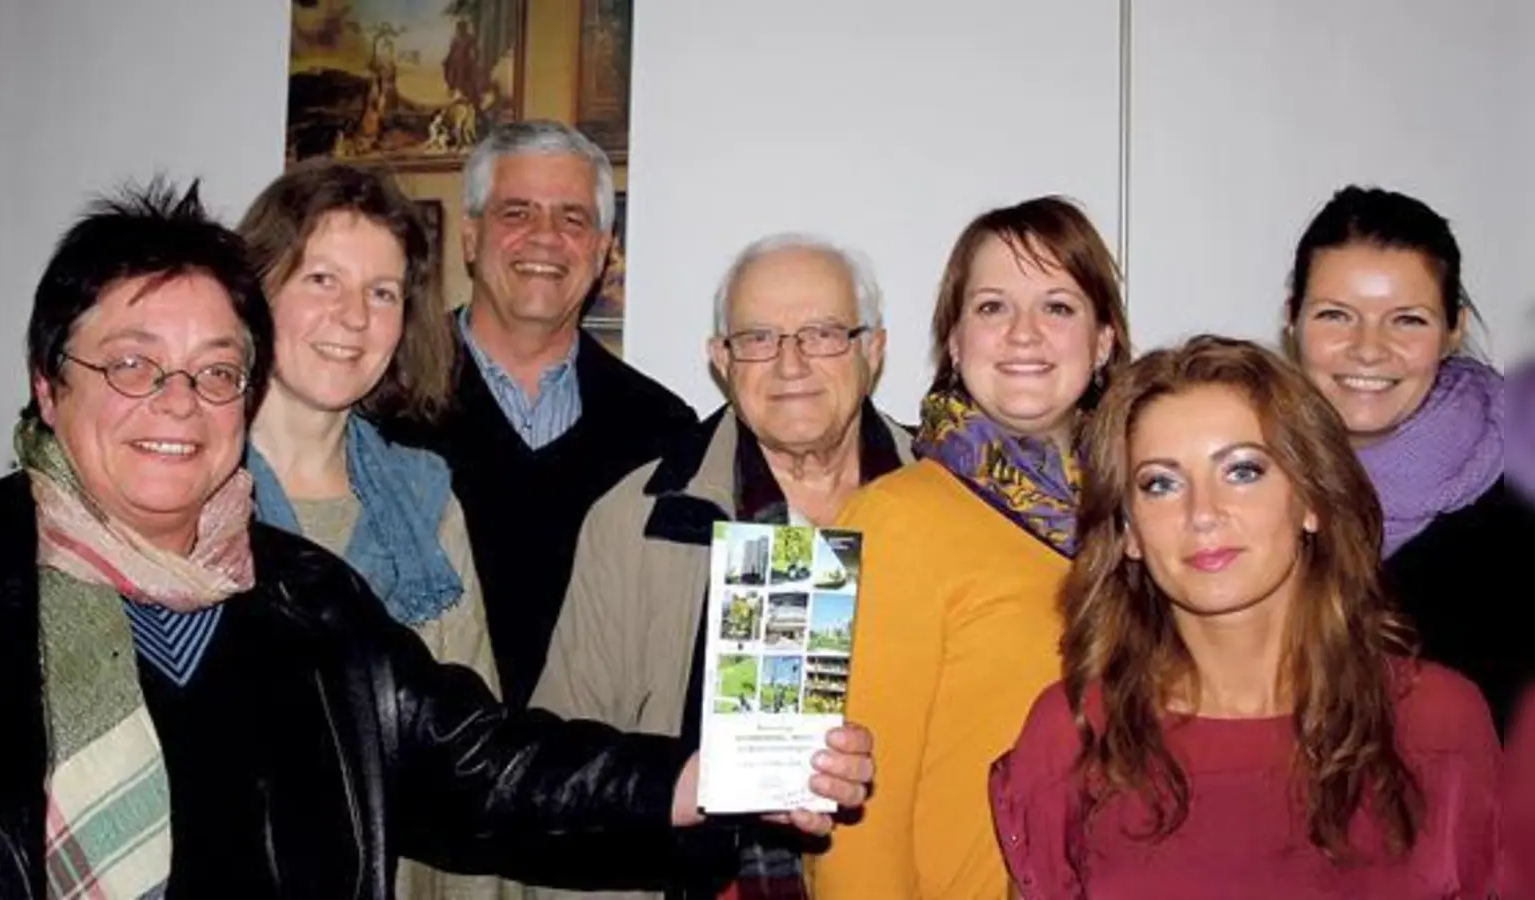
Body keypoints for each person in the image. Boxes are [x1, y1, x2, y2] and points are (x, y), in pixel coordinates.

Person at [0, 179, 874, 899]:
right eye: (132, 363)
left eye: (214, 371)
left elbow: (483, 762)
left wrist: (697, 778)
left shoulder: (309, 596)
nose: (178, 403)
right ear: (48, 381)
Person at [991, 335, 1498, 898]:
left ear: (1311, 499)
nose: (1201, 513)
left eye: (1242, 471)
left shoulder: (1439, 723)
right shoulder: (1075, 733)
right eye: (1161, 484)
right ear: (1129, 531)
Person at [530, 234, 916, 900]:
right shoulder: (636, 520)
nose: (790, 364)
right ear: (721, 360)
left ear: (872, 350)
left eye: (822, 333)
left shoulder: (948, 504)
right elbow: (565, 766)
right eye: (759, 338)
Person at [808, 197, 1132, 900]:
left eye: (1057, 306)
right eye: (991, 307)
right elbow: (850, 815)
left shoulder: (1144, 525)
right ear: (954, 341)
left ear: (1103, 339)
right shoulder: (887, 518)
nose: (1023, 334)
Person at [237, 161, 512, 898]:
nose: (355, 317)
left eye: (382, 292)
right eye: (322, 279)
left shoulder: (428, 502)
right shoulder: (181, 490)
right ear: (256, 292)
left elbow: (476, 753)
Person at [381, 120, 698, 710]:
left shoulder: (663, 432)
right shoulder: (382, 406)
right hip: (419, 784)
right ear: (471, 238)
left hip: (594, 784)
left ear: (603, 251)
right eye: (517, 213)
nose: (545, 238)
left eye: (572, 219)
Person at [1282, 184, 1524, 733]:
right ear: (1292, 319)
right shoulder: (1241, 486)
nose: (1369, 348)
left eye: (1407, 319)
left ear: (1452, 328)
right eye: (1336, 316)